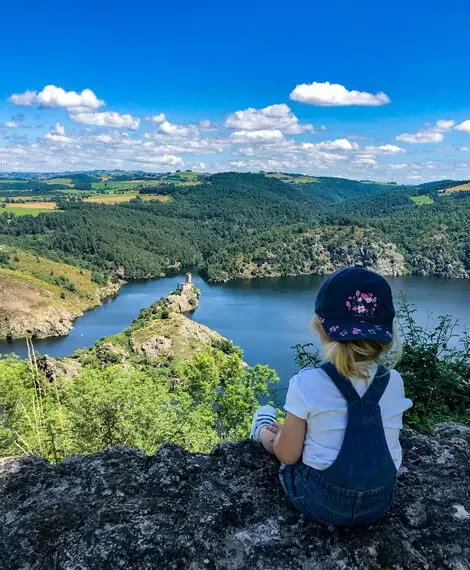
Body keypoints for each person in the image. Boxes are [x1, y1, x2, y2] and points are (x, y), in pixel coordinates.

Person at [250, 266, 413, 526]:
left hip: (323, 502)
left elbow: (288, 456)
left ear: (321, 326)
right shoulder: (394, 381)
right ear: (387, 333)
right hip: (379, 502)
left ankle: (260, 428)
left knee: (274, 436)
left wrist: (284, 436)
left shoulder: (307, 382)